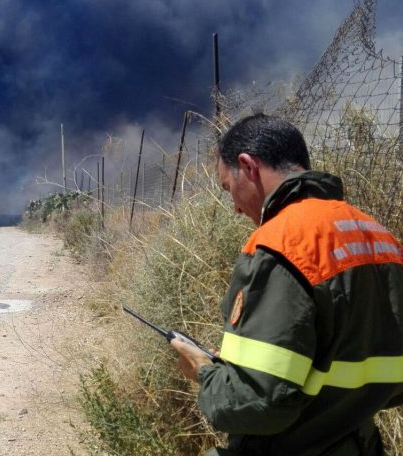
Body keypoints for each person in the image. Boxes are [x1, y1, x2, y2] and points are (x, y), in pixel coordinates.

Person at [170, 113, 403, 455]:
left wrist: (206, 374)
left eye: (227, 187)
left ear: (248, 166)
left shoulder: (280, 245)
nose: (234, 207)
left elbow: (257, 405)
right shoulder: (382, 239)